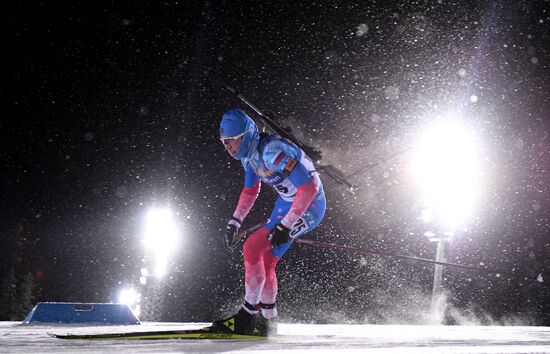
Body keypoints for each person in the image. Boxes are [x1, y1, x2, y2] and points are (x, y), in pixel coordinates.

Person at [211, 108, 326, 336]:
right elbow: (251, 191)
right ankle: (268, 321)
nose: (227, 146)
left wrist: (286, 225)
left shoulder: (272, 152)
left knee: (252, 247)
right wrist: (234, 222)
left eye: (231, 140)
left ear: (246, 135)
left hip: (309, 205)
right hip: (286, 204)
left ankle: (247, 316)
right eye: (224, 142)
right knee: (265, 258)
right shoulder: (248, 156)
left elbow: (309, 188)